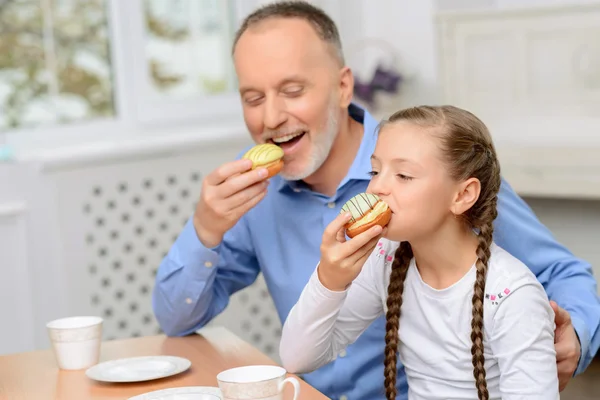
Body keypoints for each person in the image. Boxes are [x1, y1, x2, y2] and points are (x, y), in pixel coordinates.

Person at [152, 2, 600, 399]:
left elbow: (562, 273)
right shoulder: (254, 195)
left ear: (343, 86)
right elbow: (177, 322)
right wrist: (205, 229)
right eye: (253, 98)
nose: (271, 117)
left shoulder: (437, 168)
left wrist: (574, 339)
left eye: (292, 91)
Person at [279, 105, 559, 400]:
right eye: (375, 171)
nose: (376, 187)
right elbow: (298, 359)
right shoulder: (386, 258)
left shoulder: (512, 296)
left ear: (462, 195)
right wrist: (329, 280)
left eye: (403, 175)